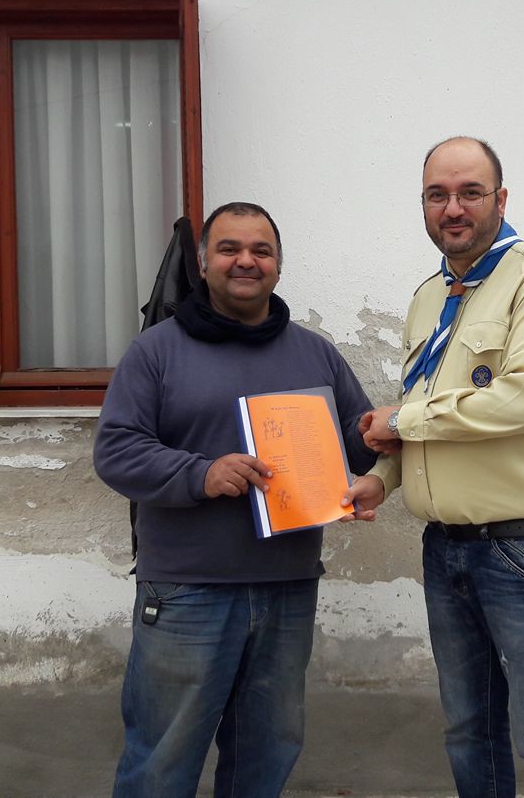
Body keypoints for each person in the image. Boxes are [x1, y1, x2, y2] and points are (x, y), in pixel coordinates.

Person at [94, 202, 380, 797]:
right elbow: (116, 451)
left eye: (261, 250)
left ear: (278, 265)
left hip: (288, 587)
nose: (246, 261)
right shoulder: (156, 351)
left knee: (266, 754)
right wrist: (201, 473)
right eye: (229, 249)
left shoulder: (316, 353)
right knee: (163, 758)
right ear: (203, 264)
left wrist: (380, 436)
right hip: (186, 591)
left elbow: (355, 445)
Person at [346, 137, 524, 797]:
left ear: (500, 199)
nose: (452, 209)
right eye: (438, 195)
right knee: (468, 731)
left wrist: (402, 423)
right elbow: (423, 414)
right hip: (446, 550)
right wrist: (379, 481)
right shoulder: (430, 295)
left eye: (469, 193)